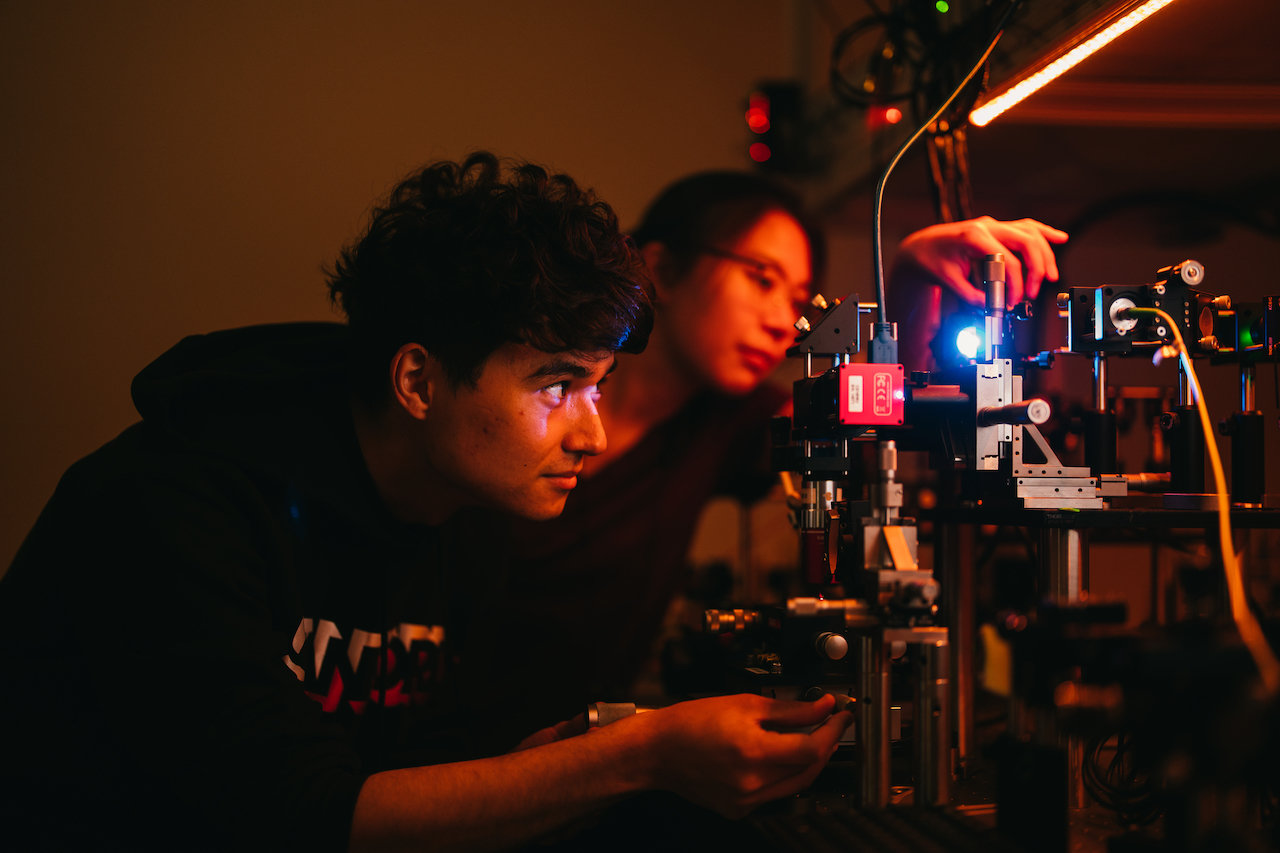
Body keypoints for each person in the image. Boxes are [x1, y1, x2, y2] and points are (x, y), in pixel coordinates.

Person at [0, 153, 853, 852]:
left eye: (598, 386)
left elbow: (416, 775)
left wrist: (573, 759)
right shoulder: (171, 505)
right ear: (418, 380)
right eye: (557, 386)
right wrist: (639, 756)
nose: (592, 436)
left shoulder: (462, 517)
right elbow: (304, 818)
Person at [481, 170, 1069, 744]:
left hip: (574, 768)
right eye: (761, 279)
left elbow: (880, 423)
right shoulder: (497, 413)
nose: (780, 322)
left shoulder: (725, 421)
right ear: (658, 269)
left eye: (795, 300)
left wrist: (911, 280)